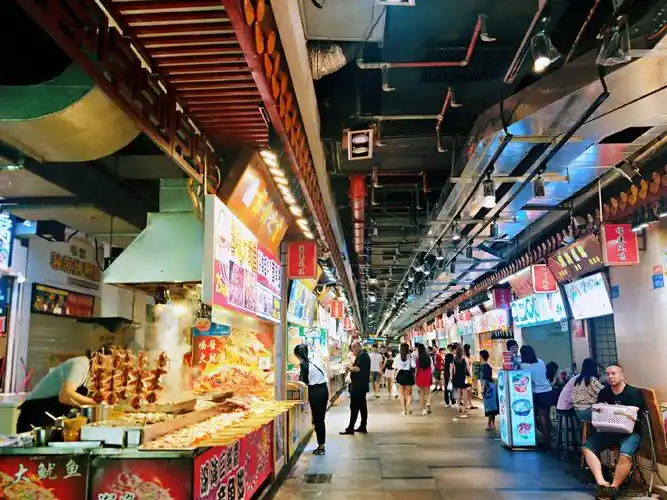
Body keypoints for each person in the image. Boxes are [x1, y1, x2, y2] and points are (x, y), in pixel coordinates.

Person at [17, 344, 114, 432]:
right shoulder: (81, 365)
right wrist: (99, 404)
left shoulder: (92, 373)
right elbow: (65, 396)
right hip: (37, 414)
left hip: (52, 417)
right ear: (102, 359)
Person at [583, 364, 645, 498]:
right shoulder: (604, 392)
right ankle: (601, 483)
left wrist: (610, 410)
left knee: (625, 454)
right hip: (608, 431)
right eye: (608, 374)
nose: (610, 376)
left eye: (613, 373)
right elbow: (600, 411)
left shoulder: (633, 393)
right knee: (587, 447)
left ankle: (614, 487)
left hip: (630, 433)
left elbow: (630, 413)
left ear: (622, 375)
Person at [294, 344, 329, 455]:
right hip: (323, 389)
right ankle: (321, 444)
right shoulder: (313, 360)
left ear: (298, 355)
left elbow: (303, 383)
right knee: (320, 419)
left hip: (315, 392)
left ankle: (321, 447)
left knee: (318, 419)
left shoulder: (303, 364)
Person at [519, 345, 554, 448]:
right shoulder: (541, 361)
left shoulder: (524, 366)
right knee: (545, 417)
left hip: (537, 393)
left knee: (541, 417)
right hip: (548, 391)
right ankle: (548, 438)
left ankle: (546, 441)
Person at [340, 340, 371, 435]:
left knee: (354, 406)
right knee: (362, 406)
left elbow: (357, 369)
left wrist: (349, 367)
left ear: (357, 347)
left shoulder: (362, 356)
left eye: (353, 349)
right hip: (362, 385)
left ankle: (351, 428)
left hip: (358, 386)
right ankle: (362, 426)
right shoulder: (364, 355)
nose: (353, 351)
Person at [394, 343, 416, 415]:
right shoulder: (410, 356)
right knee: (409, 394)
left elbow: (394, 367)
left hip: (401, 375)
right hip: (408, 375)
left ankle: (404, 410)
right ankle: (408, 403)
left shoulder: (398, 356)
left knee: (402, 395)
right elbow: (413, 365)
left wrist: (394, 377)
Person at [479, 350, 498, 430]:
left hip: (488, 388)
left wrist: (483, 388)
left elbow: (485, 378)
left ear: (481, 356)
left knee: (489, 406)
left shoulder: (485, 366)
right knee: (492, 405)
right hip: (491, 386)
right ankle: (492, 423)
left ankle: (489, 424)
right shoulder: (487, 366)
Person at [415, 343, 434, 415]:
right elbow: (432, 368)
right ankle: (428, 403)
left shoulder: (418, 359)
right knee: (428, 392)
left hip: (420, 376)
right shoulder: (429, 358)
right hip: (427, 376)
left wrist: (415, 377)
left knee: (421, 394)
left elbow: (416, 369)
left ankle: (423, 409)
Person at [451, 344, 469, 413]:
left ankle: (458, 407)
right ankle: (464, 407)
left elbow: (454, 369)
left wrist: (452, 377)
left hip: (457, 376)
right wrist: (470, 375)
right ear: (462, 351)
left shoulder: (455, 358)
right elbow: (467, 368)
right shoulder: (464, 358)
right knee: (464, 392)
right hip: (463, 377)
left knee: (458, 391)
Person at [463, 344, 476, 410]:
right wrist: (470, 375)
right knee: (468, 389)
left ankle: (470, 403)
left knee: (469, 390)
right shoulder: (465, 356)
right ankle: (468, 403)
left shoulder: (467, 356)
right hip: (467, 375)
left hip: (468, 375)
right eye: (470, 348)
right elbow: (467, 366)